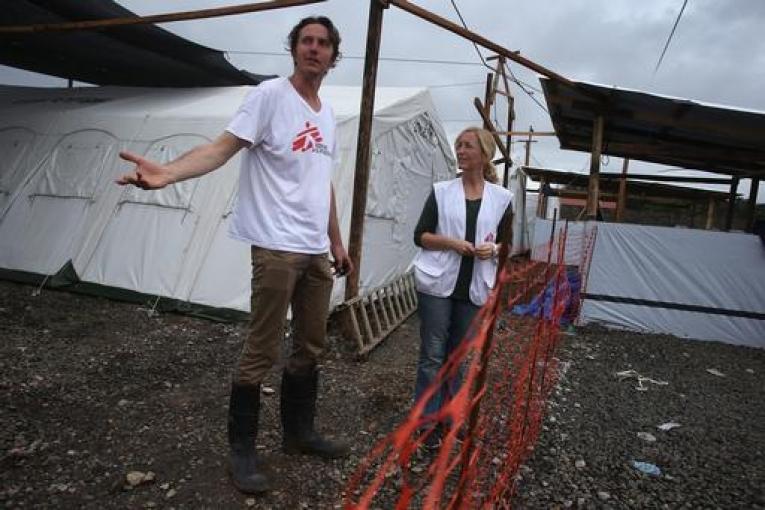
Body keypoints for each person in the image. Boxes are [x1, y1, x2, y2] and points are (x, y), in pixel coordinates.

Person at [116, 16, 353, 494]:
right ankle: (242, 451)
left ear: (333, 55)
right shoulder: (269, 96)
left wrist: (336, 239)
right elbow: (223, 148)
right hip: (276, 248)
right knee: (261, 351)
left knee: (310, 346)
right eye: (306, 41)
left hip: (314, 252)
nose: (313, 49)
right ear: (294, 50)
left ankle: (299, 433)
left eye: (322, 43)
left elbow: (319, 181)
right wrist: (168, 174)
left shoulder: (325, 112)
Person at [411, 126, 513, 439]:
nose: (460, 151)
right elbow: (421, 236)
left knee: (457, 356)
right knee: (432, 354)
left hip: (474, 287)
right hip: (438, 285)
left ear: (484, 154)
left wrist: (493, 249)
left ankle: (448, 415)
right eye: (458, 145)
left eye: (467, 146)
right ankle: (425, 420)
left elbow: (510, 246)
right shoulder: (441, 191)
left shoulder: (502, 198)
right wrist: (453, 243)